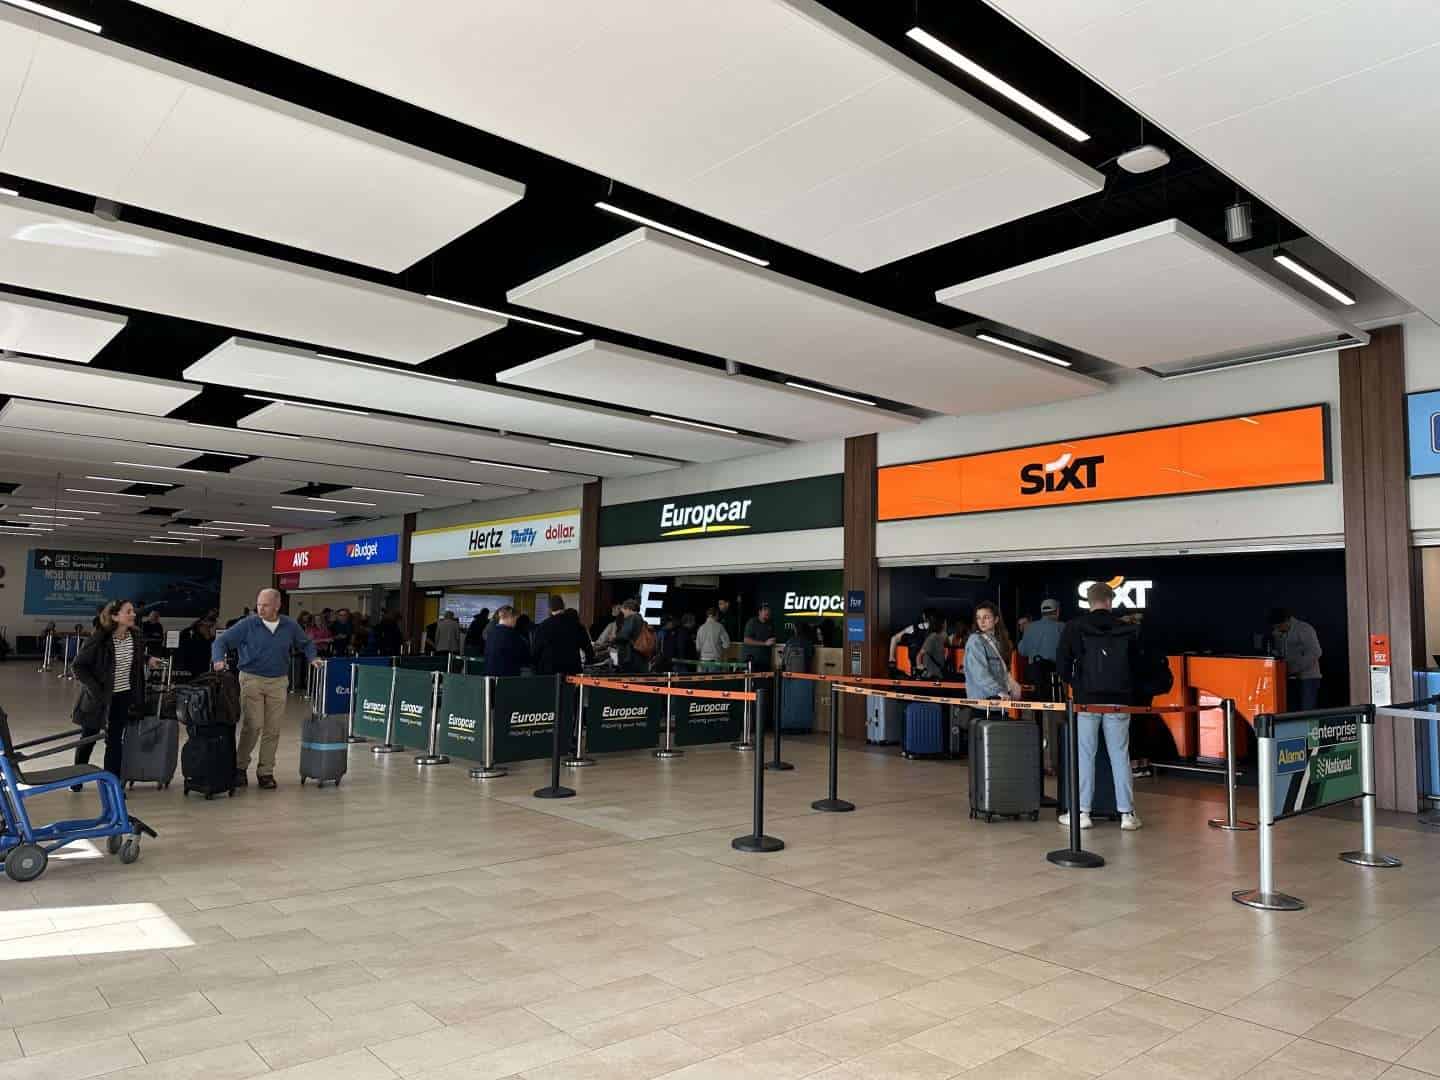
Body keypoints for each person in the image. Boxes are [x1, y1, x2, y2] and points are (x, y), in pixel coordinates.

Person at [1055, 582, 1143, 832]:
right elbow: (1137, 665)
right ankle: (1127, 814)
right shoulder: (1126, 628)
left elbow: (1062, 664)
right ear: (1110, 601)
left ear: (1089, 602)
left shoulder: (1075, 627)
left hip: (1087, 700)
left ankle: (1082, 813)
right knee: (1120, 756)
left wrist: (1077, 682)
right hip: (1120, 700)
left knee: (1085, 756)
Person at [211, 588, 318, 790]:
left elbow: (306, 643)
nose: (260, 608)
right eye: (259, 604)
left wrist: (313, 658)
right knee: (253, 725)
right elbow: (221, 641)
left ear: (277, 606)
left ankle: (265, 772)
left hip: (278, 682)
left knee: (273, 729)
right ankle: (240, 768)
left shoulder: (289, 625)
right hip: (252, 679)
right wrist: (218, 660)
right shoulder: (248, 624)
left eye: (266, 605)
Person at [71, 600, 162, 782]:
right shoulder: (99, 638)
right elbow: (78, 666)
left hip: (123, 696)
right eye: (128, 611)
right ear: (114, 616)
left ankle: (112, 784)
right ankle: (77, 778)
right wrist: (97, 689)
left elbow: (131, 656)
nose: (133, 614)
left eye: (133, 611)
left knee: (114, 741)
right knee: (89, 737)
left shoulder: (135, 637)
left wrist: (147, 659)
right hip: (98, 698)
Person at [965, 602, 1021, 700]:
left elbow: (1003, 671)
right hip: (984, 703)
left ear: (996, 620)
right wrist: (999, 691)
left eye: (986, 617)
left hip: (1000, 701)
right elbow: (979, 673)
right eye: (978, 617)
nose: (981, 621)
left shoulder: (998, 642)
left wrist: (1012, 684)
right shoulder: (975, 640)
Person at [1270, 608, 1322, 710]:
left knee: (1305, 711)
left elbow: (1316, 652)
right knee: (1291, 711)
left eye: (1279, 626)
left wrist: (1294, 668)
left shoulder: (1304, 629)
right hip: (1289, 679)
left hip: (1307, 679)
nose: (1278, 629)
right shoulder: (1278, 633)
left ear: (1287, 620)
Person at [533, 596, 593, 676]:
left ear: (550, 609)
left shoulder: (543, 626)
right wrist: (587, 662)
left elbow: (536, 651)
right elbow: (588, 649)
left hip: (549, 672)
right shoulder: (576, 625)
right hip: (571, 670)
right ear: (563, 606)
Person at [1018, 598, 1066, 697]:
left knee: (1035, 706)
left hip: (1033, 677)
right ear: (1057, 612)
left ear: (1042, 612)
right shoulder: (1062, 627)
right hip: (1055, 681)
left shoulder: (1029, 627)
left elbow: (1022, 651)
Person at [742, 602, 777, 718]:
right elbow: (746, 640)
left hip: (765, 664)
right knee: (752, 692)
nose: (767, 613)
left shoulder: (770, 624)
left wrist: (772, 642)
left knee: (764, 693)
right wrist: (764, 643)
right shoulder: (752, 622)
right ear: (760, 611)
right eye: (765, 610)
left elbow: (770, 642)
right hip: (753, 664)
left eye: (768, 611)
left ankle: (761, 721)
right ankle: (751, 721)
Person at [484, 605, 531, 677]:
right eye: (515, 619)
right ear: (509, 617)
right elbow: (525, 656)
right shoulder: (513, 635)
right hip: (507, 677)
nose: (515, 622)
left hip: (490, 675)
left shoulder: (491, 633)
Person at [612, 598, 652, 674]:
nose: (623, 613)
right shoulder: (641, 619)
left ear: (629, 609)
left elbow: (624, 636)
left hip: (630, 657)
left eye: (623, 610)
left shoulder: (631, 618)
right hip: (641, 658)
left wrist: (614, 638)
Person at [919, 615, 954, 680]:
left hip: (937, 675)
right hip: (931, 676)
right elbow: (920, 655)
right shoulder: (932, 637)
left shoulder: (942, 637)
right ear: (942, 625)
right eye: (945, 623)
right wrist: (920, 666)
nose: (946, 625)